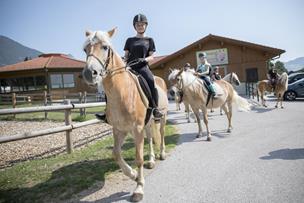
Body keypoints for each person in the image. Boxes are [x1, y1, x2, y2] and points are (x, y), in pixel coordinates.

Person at [96, 14, 163, 121]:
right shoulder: (129, 40)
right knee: (110, 82)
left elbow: (152, 56)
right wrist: (124, 62)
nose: (140, 26)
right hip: (130, 67)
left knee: (151, 80)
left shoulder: (150, 40)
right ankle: (107, 111)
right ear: (134, 26)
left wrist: (144, 59)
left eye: (142, 24)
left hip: (142, 67)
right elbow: (126, 55)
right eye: (138, 25)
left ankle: (155, 109)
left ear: (146, 26)